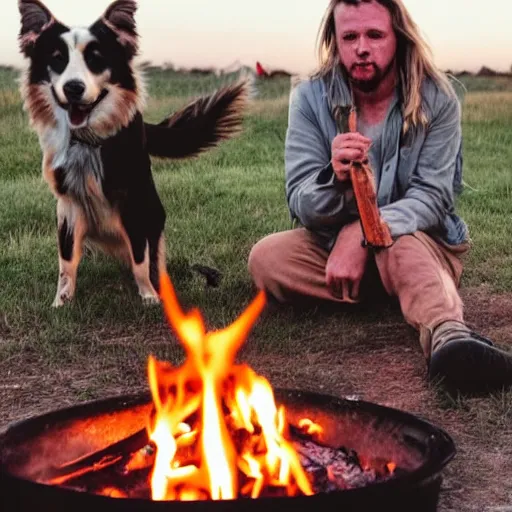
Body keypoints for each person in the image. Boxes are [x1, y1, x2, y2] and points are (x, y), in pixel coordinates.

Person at [248, 0, 512, 395]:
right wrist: (334, 178)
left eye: (374, 35)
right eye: (350, 37)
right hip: (332, 245)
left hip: (419, 241)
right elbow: (300, 202)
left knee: (397, 246)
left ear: (398, 38)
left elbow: (432, 198)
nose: (362, 48)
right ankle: (399, 290)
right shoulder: (310, 98)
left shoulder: (438, 97)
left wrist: (362, 231)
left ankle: (448, 336)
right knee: (267, 259)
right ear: (335, 42)